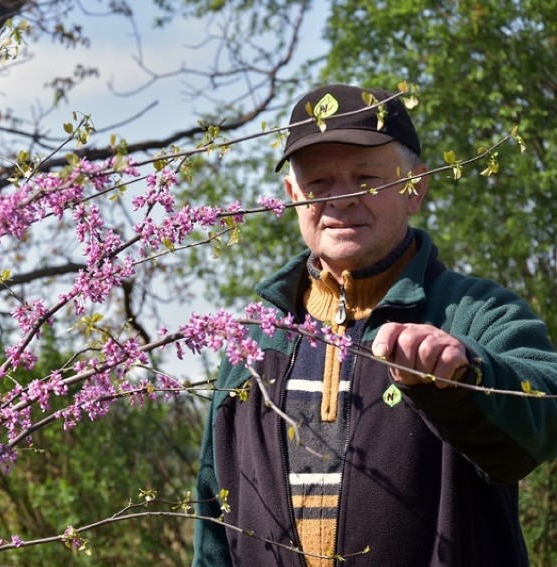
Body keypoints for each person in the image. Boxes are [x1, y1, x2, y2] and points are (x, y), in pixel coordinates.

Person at [192, 84, 557, 566]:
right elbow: (215, 523)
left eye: (366, 179)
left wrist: (465, 378)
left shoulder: (474, 310)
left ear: (415, 188)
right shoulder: (255, 340)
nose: (340, 201)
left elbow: (544, 414)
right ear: (292, 196)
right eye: (319, 184)